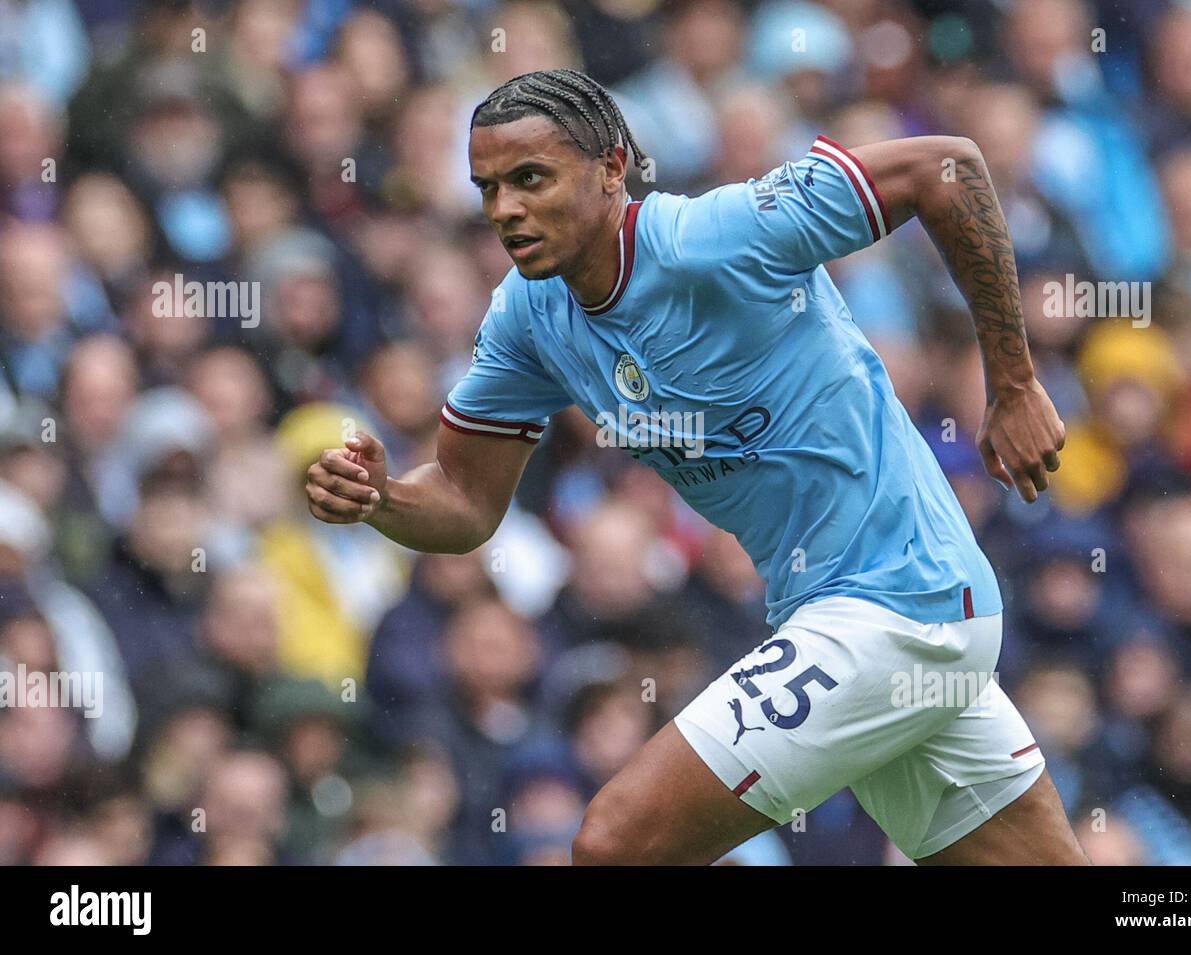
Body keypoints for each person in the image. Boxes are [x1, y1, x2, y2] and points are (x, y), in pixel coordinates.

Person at [305, 68, 1084, 865]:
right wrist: (382, 498)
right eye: (489, 187)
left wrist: (1015, 382)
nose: (505, 209)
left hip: (899, 605)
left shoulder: (718, 236)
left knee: (615, 844)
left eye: (530, 178)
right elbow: (467, 502)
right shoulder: (529, 316)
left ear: (612, 168)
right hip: (862, 620)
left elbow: (944, 167)